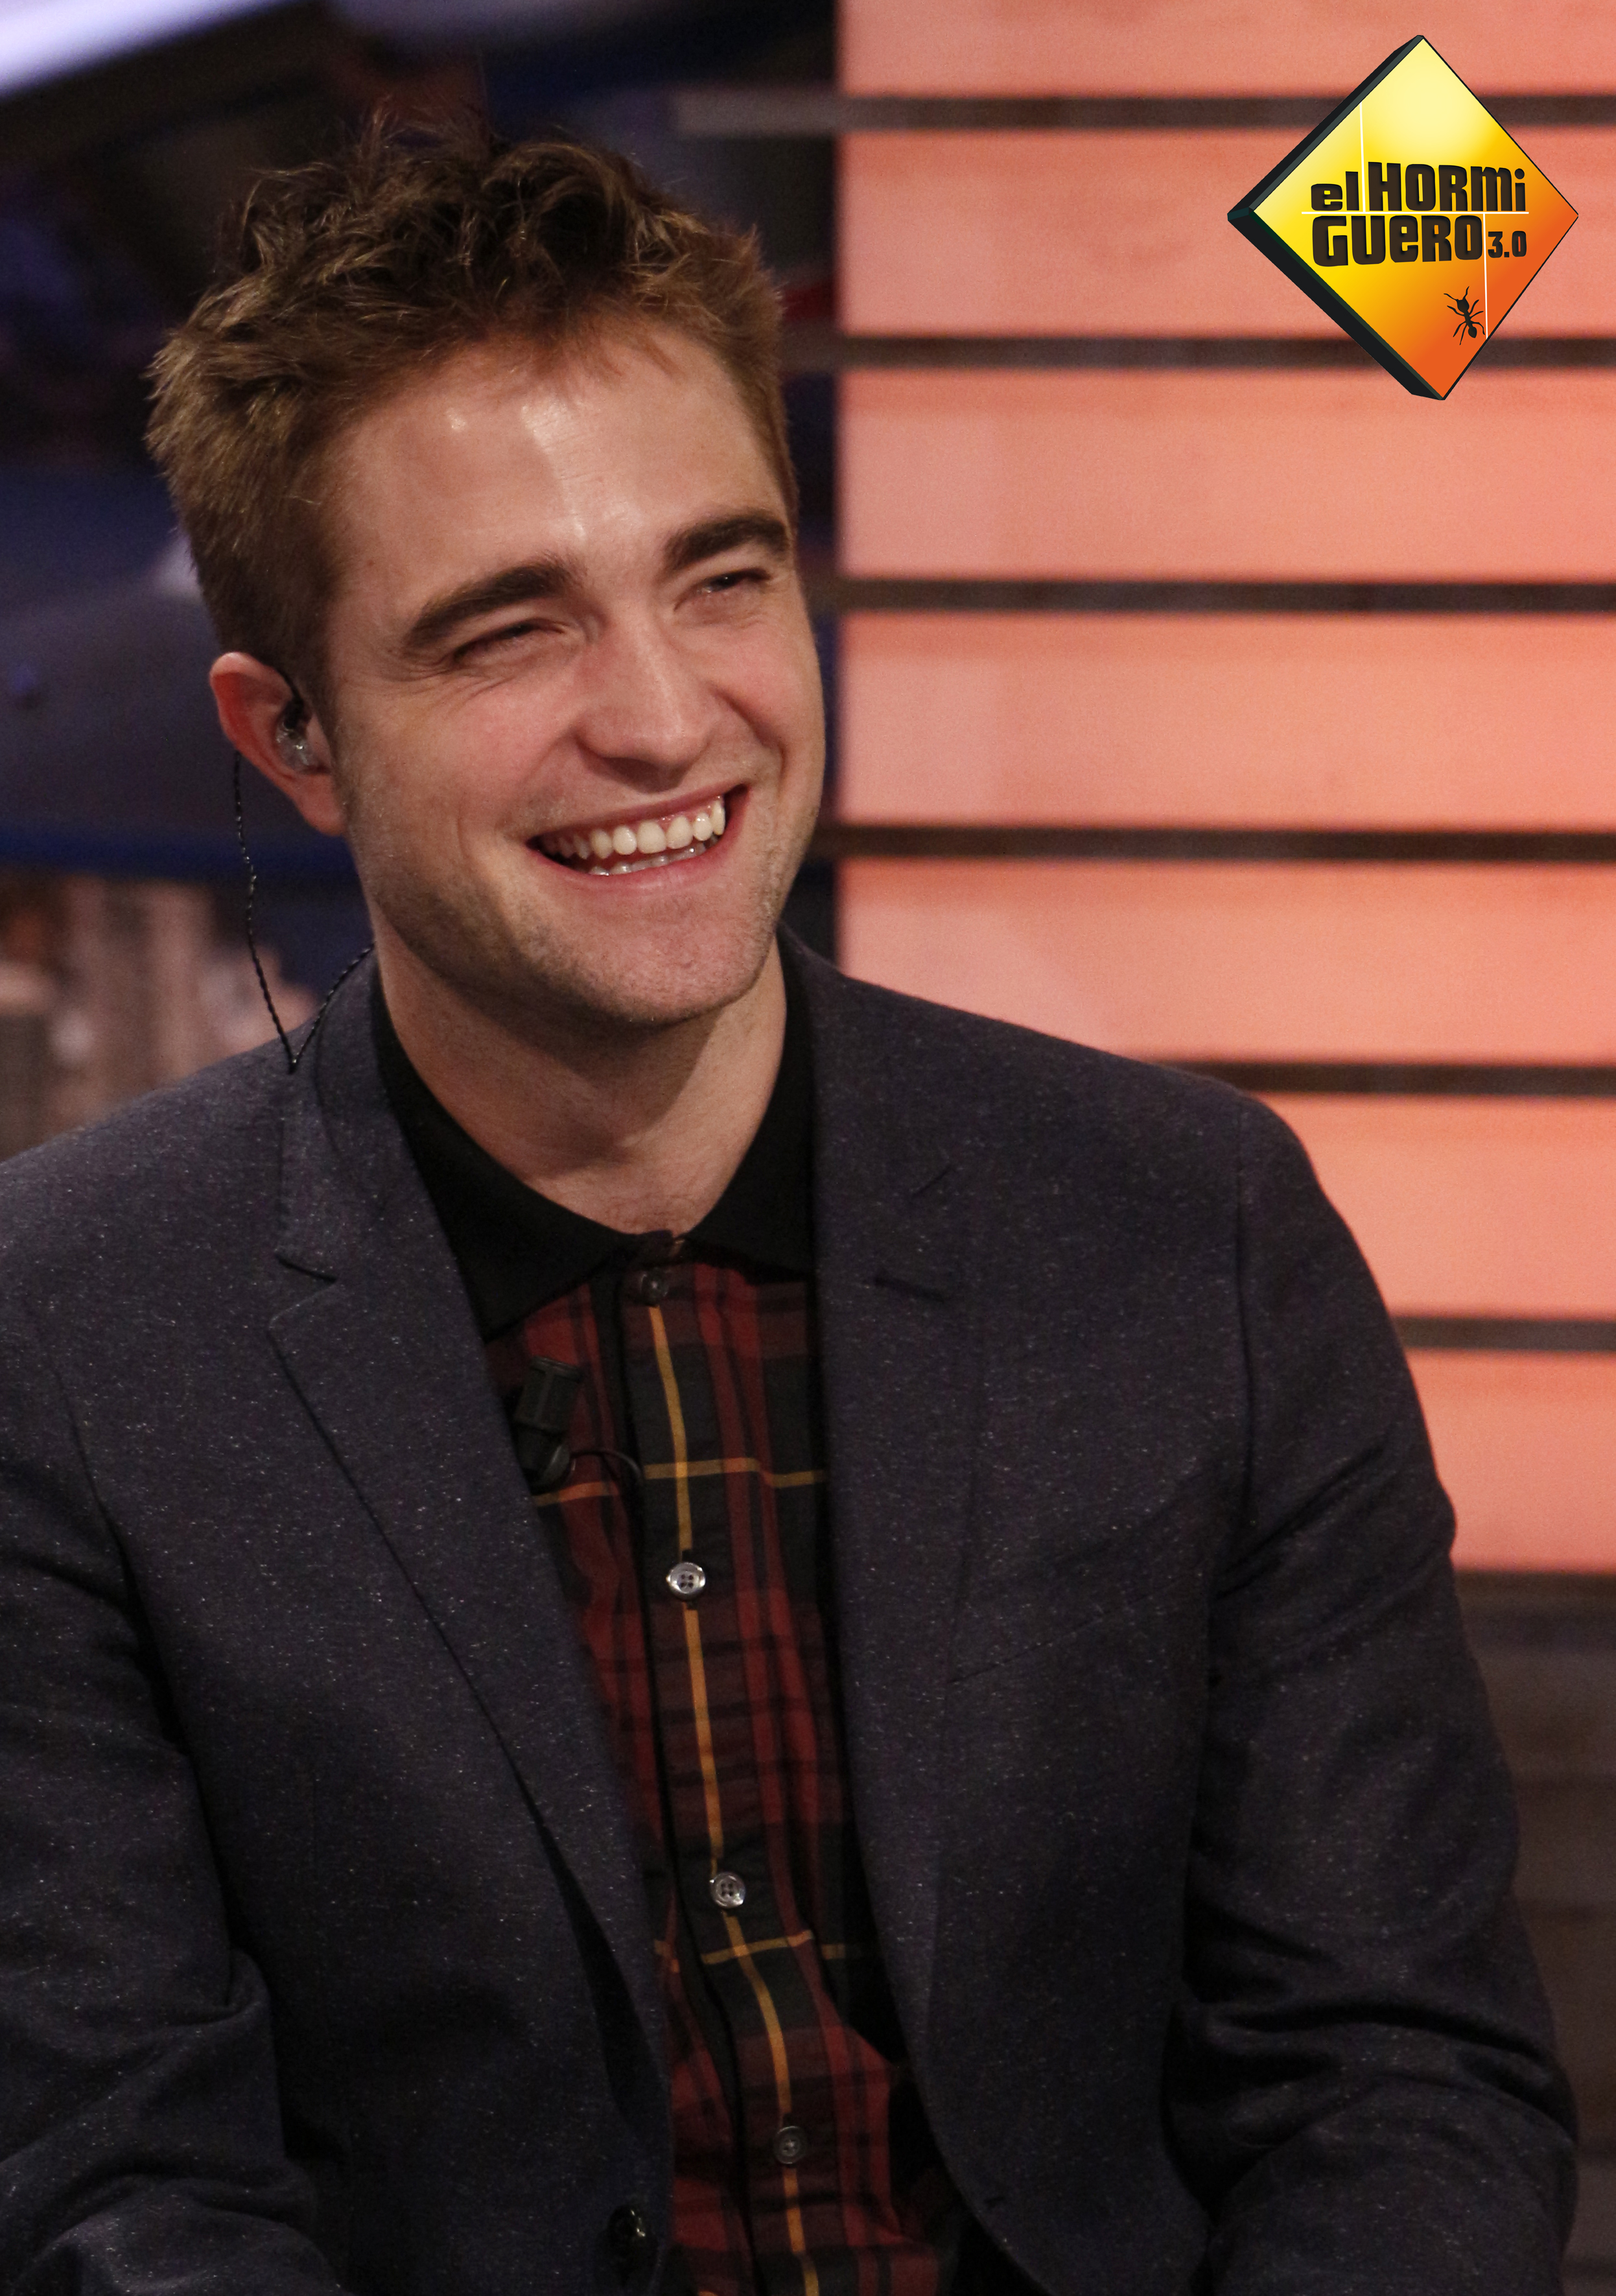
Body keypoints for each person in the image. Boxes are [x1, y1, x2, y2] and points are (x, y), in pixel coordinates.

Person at [0, 121, 1575, 2296]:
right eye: (506, 633)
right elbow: (117, 2197)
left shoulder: (1191, 1235)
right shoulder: (69, 1340)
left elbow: (1393, 2086)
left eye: (723, 579)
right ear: (295, 739)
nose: (667, 721)